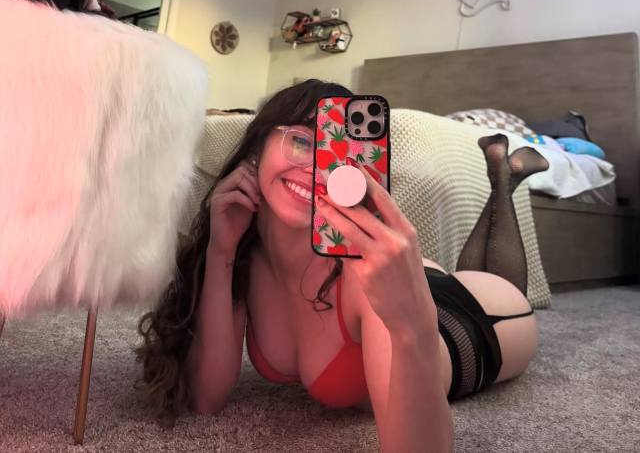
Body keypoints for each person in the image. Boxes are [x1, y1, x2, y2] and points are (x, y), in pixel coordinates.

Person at [136, 79, 547, 453]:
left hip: (481, 321)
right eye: (301, 142)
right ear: (256, 149)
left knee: (498, 284)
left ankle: (503, 185)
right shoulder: (246, 256)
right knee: (446, 277)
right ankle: (502, 180)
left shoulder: (358, 272)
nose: (317, 168)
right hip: (414, 288)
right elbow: (207, 398)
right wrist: (219, 252)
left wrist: (412, 327)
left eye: (336, 154)